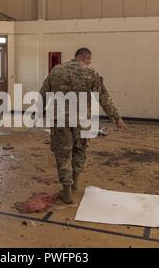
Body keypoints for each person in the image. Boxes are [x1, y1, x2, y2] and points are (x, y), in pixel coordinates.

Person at [40, 48, 127, 204]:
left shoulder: (57, 70)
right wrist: (116, 117)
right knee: (79, 150)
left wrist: (38, 112)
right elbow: (103, 97)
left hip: (61, 120)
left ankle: (66, 191)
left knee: (63, 154)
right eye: (89, 60)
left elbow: (43, 93)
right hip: (83, 121)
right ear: (86, 58)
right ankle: (75, 183)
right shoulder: (91, 73)